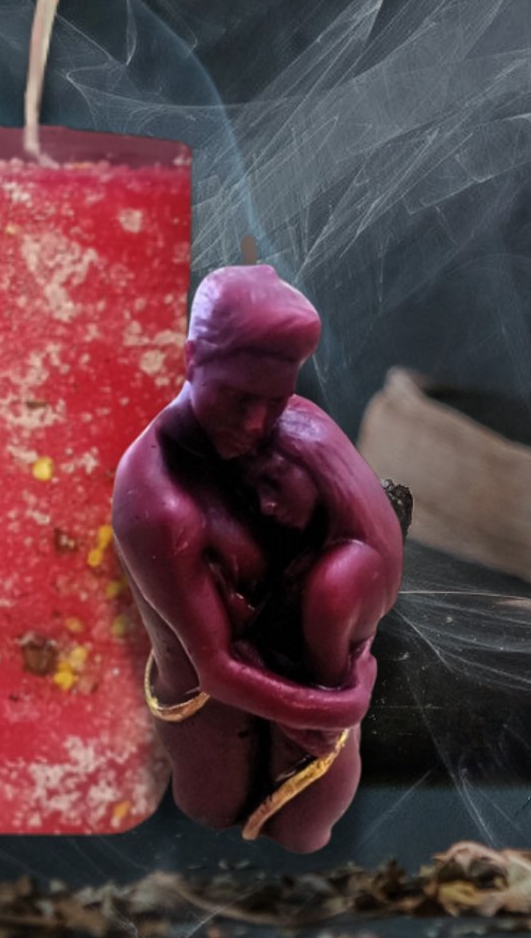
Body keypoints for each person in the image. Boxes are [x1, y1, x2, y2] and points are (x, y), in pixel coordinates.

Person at [112, 264, 405, 852]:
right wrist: (337, 704)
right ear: (192, 359)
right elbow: (216, 667)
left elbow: (372, 559)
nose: (253, 425)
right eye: (237, 398)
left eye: (272, 402)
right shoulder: (159, 500)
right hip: (206, 708)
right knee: (210, 814)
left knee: (305, 833)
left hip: (310, 682)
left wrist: (349, 663)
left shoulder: (301, 431)